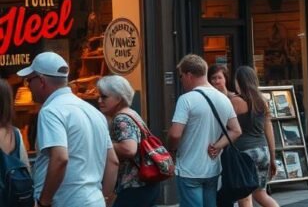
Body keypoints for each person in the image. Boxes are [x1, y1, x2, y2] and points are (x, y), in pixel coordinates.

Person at [17, 52, 118, 207]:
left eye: (29, 80)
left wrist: (44, 202)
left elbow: (60, 158)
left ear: (42, 81)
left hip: (65, 202)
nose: (28, 85)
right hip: (94, 201)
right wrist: (102, 198)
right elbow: (113, 161)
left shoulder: (51, 111)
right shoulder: (95, 113)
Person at [168, 54, 242, 207]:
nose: (181, 80)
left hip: (189, 168)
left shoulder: (186, 99)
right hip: (212, 168)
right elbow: (236, 130)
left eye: (181, 76)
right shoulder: (224, 99)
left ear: (189, 75)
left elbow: (175, 134)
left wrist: (171, 152)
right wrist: (217, 146)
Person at [96, 75, 160, 207]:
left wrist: (104, 144)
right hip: (146, 182)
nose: (99, 100)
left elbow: (129, 149)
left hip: (135, 185)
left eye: (104, 97)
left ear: (118, 98)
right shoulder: (131, 113)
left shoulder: (121, 118)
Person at [233, 66, 279, 207]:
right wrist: (272, 156)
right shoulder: (262, 101)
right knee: (260, 193)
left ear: (239, 82)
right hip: (262, 150)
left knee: (244, 197)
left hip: (244, 153)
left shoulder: (235, 102)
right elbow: (269, 129)